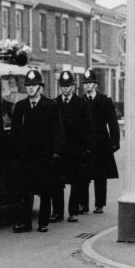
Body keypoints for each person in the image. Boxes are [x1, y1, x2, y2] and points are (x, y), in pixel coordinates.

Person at [10, 69, 65, 233]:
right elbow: (15, 132)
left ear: (40, 87)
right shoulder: (20, 107)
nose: (31, 88)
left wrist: (55, 152)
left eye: (34, 85)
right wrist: (16, 155)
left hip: (45, 157)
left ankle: (43, 222)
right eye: (28, 85)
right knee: (25, 191)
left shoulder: (51, 106)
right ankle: (25, 223)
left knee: (45, 190)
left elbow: (58, 131)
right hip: (26, 157)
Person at [54, 70, 93, 223]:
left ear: (73, 86)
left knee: (76, 182)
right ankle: (57, 212)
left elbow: (89, 128)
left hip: (76, 151)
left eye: (68, 86)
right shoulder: (55, 103)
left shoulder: (81, 104)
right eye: (63, 86)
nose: (65, 89)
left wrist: (87, 149)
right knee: (57, 183)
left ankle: (73, 211)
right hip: (59, 151)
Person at [81, 68, 120, 214]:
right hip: (84, 142)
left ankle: (99, 204)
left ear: (95, 85)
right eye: (85, 83)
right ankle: (83, 204)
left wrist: (114, 142)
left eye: (90, 83)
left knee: (100, 175)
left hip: (101, 142)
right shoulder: (80, 101)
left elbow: (113, 123)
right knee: (83, 175)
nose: (87, 86)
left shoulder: (104, 101)